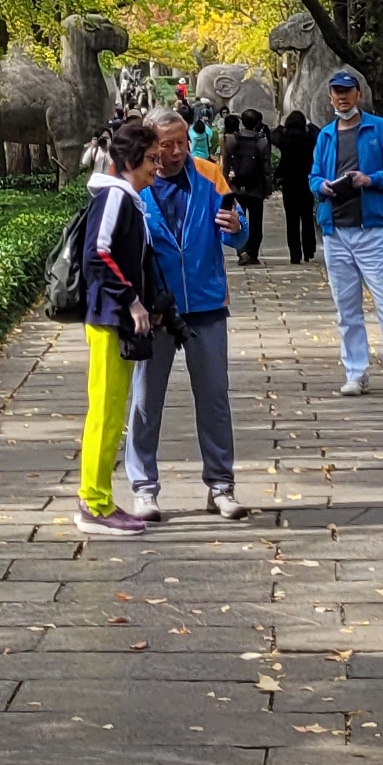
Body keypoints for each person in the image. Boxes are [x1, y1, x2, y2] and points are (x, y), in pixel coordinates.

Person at [124, 111, 247, 519]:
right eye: (166, 144)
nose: (176, 152)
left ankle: (221, 485)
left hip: (206, 305)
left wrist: (236, 226)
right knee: (146, 401)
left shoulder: (210, 174)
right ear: (150, 143)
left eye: (181, 142)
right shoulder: (134, 181)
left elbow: (239, 230)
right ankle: (144, 487)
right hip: (155, 312)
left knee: (214, 398)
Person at [76, 117, 169, 536]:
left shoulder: (126, 198)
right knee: (107, 412)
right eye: (151, 158)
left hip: (117, 317)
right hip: (110, 318)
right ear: (131, 159)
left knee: (112, 412)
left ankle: (98, 499)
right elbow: (98, 254)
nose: (157, 166)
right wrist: (132, 300)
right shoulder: (114, 198)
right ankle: (93, 504)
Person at [312, 68, 383, 397]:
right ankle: (355, 373)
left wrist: (370, 180)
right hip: (336, 231)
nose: (342, 96)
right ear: (331, 97)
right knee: (346, 309)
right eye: (336, 91)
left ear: (359, 95)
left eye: (348, 90)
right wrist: (322, 186)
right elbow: (314, 176)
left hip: (372, 230)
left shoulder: (380, 129)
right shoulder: (326, 135)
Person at [222, 111, 274, 265]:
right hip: (255, 187)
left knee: (239, 217)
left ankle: (241, 250)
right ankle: (251, 252)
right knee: (256, 222)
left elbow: (226, 165)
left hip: (236, 186)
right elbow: (266, 168)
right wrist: (268, 188)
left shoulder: (231, 139)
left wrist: (224, 184)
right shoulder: (262, 142)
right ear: (257, 123)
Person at [275, 102, 319, 266]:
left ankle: (295, 255)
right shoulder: (308, 139)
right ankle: (309, 251)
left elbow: (273, 135)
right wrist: (308, 123)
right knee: (307, 217)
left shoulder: (284, 140)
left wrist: (281, 125)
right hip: (306, 181)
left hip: (289, 183)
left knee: (291, 220)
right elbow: (318, 133)